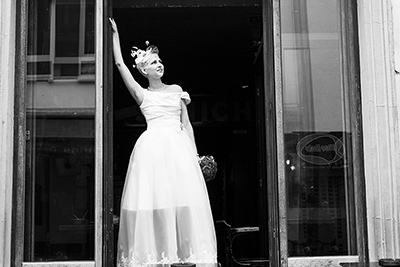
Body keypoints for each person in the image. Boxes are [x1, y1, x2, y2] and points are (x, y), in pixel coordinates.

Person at [109, 18, 218, 267]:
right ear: (143, 70)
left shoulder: (177, 89)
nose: (159, 65)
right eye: (153, 63)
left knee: (184, 201)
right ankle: (158, 255)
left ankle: (184, 254)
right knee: (154, 200)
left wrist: (195, 155)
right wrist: (116, 35)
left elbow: (187, 124)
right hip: (153, 150)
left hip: (178, 148)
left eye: (160, 61)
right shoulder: (142, 94)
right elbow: (119, 64)